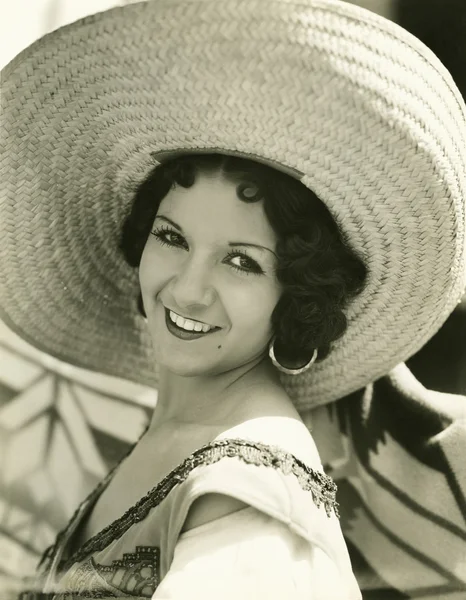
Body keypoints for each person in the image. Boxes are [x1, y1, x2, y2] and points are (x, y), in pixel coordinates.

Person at [1, 0, 465, 598]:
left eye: (242, 261)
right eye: (171, 237)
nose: (188, 289)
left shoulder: (253, 498)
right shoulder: (183, 432)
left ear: (297, 293)